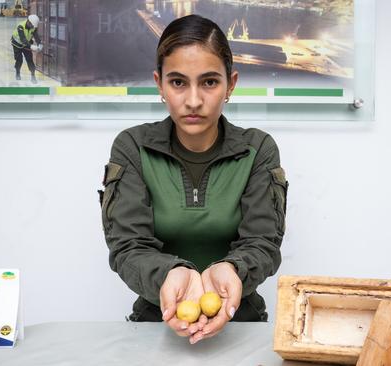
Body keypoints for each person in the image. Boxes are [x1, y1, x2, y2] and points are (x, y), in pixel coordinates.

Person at [100, 15, 288, 345]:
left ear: (231, 84)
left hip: (241, 326)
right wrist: (172, 275)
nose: (193, 100)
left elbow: (263, 243)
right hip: (154, 325)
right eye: (178, 82)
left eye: (209, 82)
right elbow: (127, 247)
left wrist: (231, 270)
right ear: (159, 84)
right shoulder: (132, 147)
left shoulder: (258, 149)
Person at [11, 14, 42, 83]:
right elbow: (23, 39)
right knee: (19, 60)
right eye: (32, 25)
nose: (32, 27)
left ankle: (33, 76)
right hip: (17, 44)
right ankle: (17, 73)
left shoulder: (33, 26)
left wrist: (40, 44)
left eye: (33, 26)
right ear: (28, 22)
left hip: (26, 45)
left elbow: (36, 36)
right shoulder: (20, 27)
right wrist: (32, 46)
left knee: (30, 60)